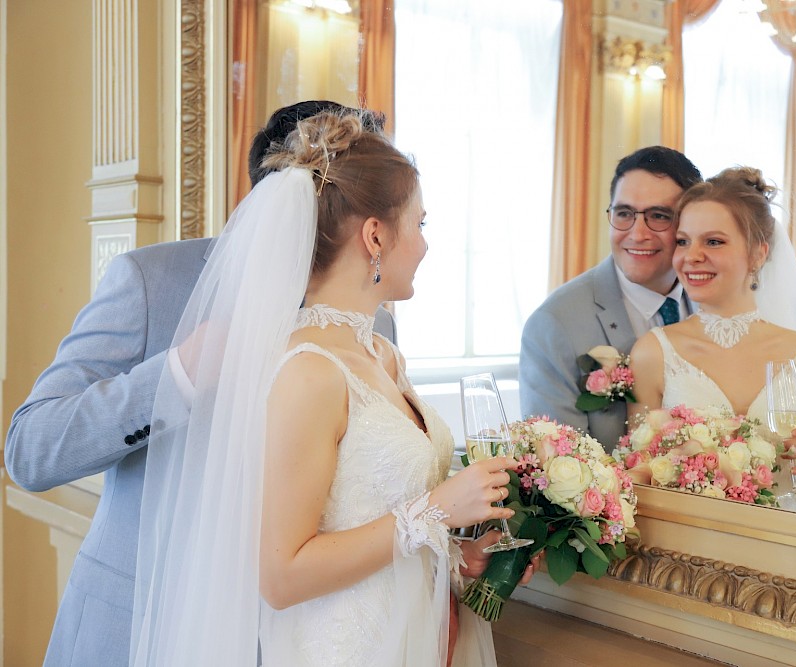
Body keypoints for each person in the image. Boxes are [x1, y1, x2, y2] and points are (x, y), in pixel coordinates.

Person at [130, 108, 531, 665]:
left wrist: (457, 553)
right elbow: (281, 573)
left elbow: (377, 519)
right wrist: (435, 512)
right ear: (375, 235)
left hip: (416, 638)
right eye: (419, 223)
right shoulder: (310, 370)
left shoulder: (382, 353)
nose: (425, 245)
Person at [3, 100, 395, 667]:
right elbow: (29, 451)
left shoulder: (377, 317)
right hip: (136, 626)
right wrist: (177, 375)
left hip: (290, 640)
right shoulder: (149, 280)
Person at [628, 167, 796, 518]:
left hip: (783, 544)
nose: (691, 256)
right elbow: (639, 479)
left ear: (759, 254)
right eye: (683, 241)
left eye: (713, 241)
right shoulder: (652, 353)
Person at [519, 146, 702, 452]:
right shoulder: (554, 325)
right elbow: (556, 470)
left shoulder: (713, 303)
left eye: (658, 216)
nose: (637, 233)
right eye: (624, 214)